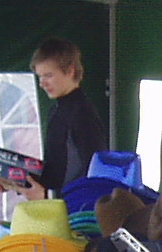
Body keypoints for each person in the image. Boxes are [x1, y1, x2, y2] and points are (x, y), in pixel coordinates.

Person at [29, 37, 108, 197]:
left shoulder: (82, 114)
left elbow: (94, 175)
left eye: (48, 75)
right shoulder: (57, 110)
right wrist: (14, 180)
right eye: (40, 77)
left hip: (74, 207)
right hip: (56, 204)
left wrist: (47, 196)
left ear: (71, 71)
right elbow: (55, 169)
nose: (42, 84)